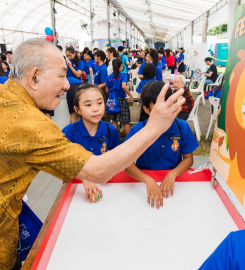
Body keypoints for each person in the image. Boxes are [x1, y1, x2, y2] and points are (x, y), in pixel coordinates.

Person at [0, 38, 185, 270]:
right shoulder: (29, 123)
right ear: (34, 77)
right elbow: (98, 170)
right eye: (61, 76)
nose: (68, 85)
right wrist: (154, 126)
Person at [125, 81, 198, 202]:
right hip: (142, 183)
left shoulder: (182, 127)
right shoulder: (138, 130)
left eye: (168, 107)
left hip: (174, 182)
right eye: (157, 111)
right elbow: (126, 164)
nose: (164, 114)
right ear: (146, 110)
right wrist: (147, 180)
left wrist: (173, 174)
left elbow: (188, 159)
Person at [62, 84, 121, 202]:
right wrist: (84, 178)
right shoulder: (69, 131)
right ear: (77, 109)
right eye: (88, 105)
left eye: (100, 103)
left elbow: (119, 157)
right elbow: (62, 163)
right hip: (75, 186)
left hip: (105, 184)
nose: (95, 109)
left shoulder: (110, 129)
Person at [104, 58, 134, 136]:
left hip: (112, 101)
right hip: (121, 100)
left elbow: (107, 91)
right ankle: (128, 141)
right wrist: (131, 96)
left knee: (114, 121)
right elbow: (124, 86)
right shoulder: (123, 75)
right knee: (125, 122)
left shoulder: (109, 77)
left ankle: (115, 141)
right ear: (121, 65)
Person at [66, 46, 84, 123]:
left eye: (70, 55)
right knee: (73, 114)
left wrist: (70, 66)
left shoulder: (80, 63)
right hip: (69, 86)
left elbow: (78, 74)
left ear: (74, 53)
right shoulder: (66, 63)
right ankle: (72, 134)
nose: (69, 57)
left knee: (82, 113)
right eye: (67, 56)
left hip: (78, 86)